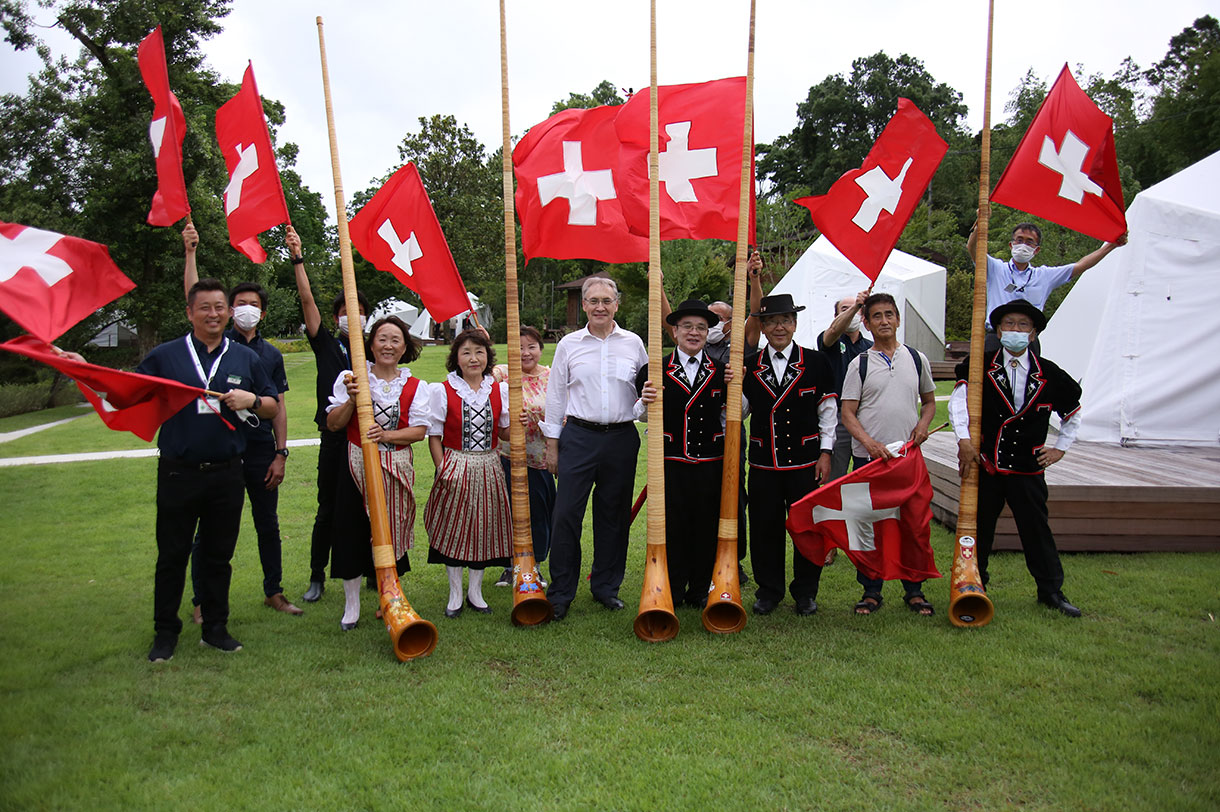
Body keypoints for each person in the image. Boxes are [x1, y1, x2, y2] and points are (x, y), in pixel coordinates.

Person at [140, 277, 279, 662]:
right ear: (190, 312)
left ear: (229, 311)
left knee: (218, 555)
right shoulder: (167, 355)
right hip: (178, 472)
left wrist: (253, 399)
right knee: (172, 555)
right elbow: (130, 390)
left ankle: (216, 629)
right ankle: (165, 634)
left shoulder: (245, 357)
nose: (213, 314)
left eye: (220, 307)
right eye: (205, 307)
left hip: (226, 474)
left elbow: (271, 405)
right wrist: (85, 370)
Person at [180, 225, 300, 621]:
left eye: (254, 304)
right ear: (229, 310)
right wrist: (191, 253)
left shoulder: (269, 354)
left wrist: (280, 453)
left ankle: (275, 591)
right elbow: (194, 297)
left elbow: (278, 406)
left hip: (260, 448)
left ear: (261, 312)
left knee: (267, 522)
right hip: (221, 448)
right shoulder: (216, 345)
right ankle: (202, 600)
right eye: (240, 303)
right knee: (212, 528)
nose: (246, 308)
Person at [948, 299, 1084, 618]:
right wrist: (964, 440)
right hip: (987, 466)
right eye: (1009, 324)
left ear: (1033, 334)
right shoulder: (979, 365)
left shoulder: (1049, 373)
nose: (1016, 330)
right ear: (998, 330)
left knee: (1036, 531)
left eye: (1023, 325)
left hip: (1027, 470)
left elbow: (1073, 413)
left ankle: (1051, 591)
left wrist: (1060, 448)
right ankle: (971, 587)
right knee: (977, 531)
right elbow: (958, 402)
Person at [542, 277, 648, 620]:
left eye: (606, 300)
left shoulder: (633, 344)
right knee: (565, 516)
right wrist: (553, 446)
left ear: (617, 304)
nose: (600, 307)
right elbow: (556, 396)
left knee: (614, 516)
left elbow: (644, 392)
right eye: (593, 301)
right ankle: (560, 592)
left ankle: (605, 587)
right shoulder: (569, 345)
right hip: (578, 437)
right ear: (584, 305)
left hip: (620, 438)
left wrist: (644, 409)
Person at [325, 316, 430, 630]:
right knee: (352, 530)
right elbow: (333, 424)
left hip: (396, 465)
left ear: (404, 347)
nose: (388, 345)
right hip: (357, 464)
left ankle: (390, 595)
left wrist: (386, 436)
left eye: (395, 340)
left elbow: (419, 431)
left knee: (392, 529)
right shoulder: (352, 378)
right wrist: (354, 399)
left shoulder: (415, 385)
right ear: (370, 344)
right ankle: (352, 604)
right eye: (382, 339)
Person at [741, 289, 838, 616]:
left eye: (785, 320)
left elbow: (828, 411)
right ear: (763, 327)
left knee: (808, 529)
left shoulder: (815, 362)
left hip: (806, 463)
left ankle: (806, 592)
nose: (778, 327)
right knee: (764, 529)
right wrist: (731, 387)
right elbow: (740, 411)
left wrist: (826, 452)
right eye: (771, 322)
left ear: (795, 323)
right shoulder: (749, 366)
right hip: (764, 464)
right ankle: (769, 591)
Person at [840, 292, 937, 616]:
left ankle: (914, 590)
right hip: (870, 461)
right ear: (866, 323)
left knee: (913, 524)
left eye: (889, 314)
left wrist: (923, 426)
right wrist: (869, 443)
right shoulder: (860, 364)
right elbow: (848, 413)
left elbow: (930, 402)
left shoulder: (916, 358)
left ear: (898, 319)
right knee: (867, 528)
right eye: (877, 316)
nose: (884, 321)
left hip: (907, 459)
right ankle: (870, 590)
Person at [288, 224, 370, 603]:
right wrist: (298, 257)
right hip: (335, 437)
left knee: (370, 506)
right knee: (328, 508)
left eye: (358, 312)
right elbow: (307, 303)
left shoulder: (374, 349)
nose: (350, 317)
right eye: (344, 311)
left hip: (368, 437)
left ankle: (374, 571)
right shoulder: (327, 345)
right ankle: (317, 574)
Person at [635, 299, 727, 608]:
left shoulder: (722, 371)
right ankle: (671, 585)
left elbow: (734, 414)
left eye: (701, 327)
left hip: (710, 462)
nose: (694, 333)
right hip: (670, 462)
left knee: (705, 525)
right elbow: (639, 414)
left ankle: (700, 588)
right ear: (674, 331)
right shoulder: (654, 369)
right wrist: (646, 401)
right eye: (687, 326)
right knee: (673, 525)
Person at [424, 329, 513, 617]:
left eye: (479, 352)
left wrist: (522, 419)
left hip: (489, 463)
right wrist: (443, 468)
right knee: (454, 527)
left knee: (484, 528)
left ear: (487, 357)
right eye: (466, 352)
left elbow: (505, 432)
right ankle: (455, 592)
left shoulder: (499, 390)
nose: (473, 358)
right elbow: (434, 435)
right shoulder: (442, 390)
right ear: (456, 359)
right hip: (455, 462)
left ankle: (475, 591)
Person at [966, 220, 1127, 329]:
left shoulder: (1044, 276)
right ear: (1011, 244)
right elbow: (972, 249)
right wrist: (981, 222)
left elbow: (1081, 265)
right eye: (1019, 240)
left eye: (1029, 242)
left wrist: (1111, 246)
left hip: (1028, 339)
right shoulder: (996, 269)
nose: (1023, 245)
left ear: (1036, 250)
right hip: (996, 336)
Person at [491, 326, 554, 590]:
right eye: (518, 347)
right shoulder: (504, 374)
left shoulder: (552, 377)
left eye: (531, 346)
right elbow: (485, 376)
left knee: (539, 514)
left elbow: (562, 416)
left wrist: (537, 421)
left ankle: (535, 566)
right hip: (507, 458)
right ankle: (510, 567)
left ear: (540, 349)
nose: (525, 352)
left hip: (540, 459)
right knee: (508, 515)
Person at [818, 288, 873, 483]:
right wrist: (856, 305)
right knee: (834, 476)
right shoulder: (829, 340)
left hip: (865, 416)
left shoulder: (870, 347)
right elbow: (832, 332)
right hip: (838, 417)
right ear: (836, 316)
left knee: (867, 474)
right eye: (844, 309)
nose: (851, 313)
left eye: (856, 310)